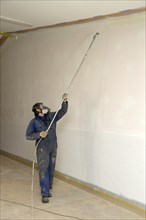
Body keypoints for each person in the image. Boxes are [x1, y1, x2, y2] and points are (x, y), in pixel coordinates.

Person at [26, 93, 68, 203]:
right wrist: (39, 134)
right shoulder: (34, 122)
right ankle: (44, 193)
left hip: (53, 147)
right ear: (38, 111)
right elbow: (28, 135)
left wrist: (64, 101)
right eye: (42, 107)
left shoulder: (51, 117)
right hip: (42, 149)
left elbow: (62, 112)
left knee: (51, 169)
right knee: (43, 169)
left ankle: (48, 189)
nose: (44, 107)